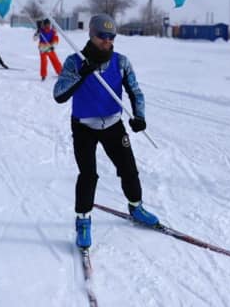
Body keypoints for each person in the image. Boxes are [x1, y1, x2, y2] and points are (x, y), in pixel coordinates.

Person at [53, 14, 157, 249]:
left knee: (129, 169)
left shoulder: (121, 62)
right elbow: (59, 95)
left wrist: (139, 116)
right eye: (102, 36)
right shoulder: (74, 62)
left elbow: (135, 92)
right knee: (88, 175)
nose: (107, 41)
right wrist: (83, 74)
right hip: (84, 126)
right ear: (91, 34)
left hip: (112, 124)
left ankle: (136, 207)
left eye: (111, 37)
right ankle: (83, 221)